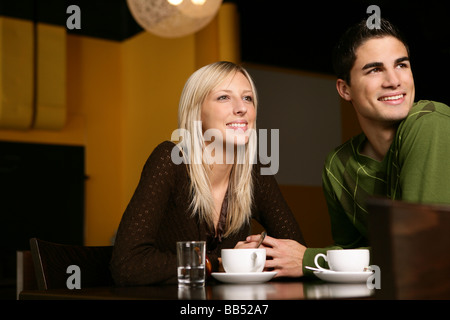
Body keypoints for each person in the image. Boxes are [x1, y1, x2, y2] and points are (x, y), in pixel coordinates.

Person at [110, 61, 307, 285]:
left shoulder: (255, 171)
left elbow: (295, 255)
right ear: (197, 113)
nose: (241, 108)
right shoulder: (170, 160)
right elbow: (127, 265)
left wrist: (255, 256)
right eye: (224, 97)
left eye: (247, 98)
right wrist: (220, 262)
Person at [301, 18, 450, 276]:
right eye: (374, 70)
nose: (394, 81)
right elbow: (350, 254)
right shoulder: (338, 164)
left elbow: (421, 250)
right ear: (345, 89)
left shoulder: (429, 123)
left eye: (401, 65)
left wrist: (310, 259)